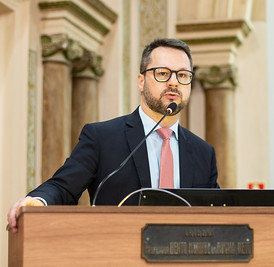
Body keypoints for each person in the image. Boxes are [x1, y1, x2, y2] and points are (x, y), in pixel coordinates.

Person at [7, 38, 219, 233]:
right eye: (162, 73)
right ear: (141, 81)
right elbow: (63, 187)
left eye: (182, 75)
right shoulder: (102, 138)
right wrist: (37, 200)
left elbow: (218, 214)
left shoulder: (203, 153)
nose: (173, 82)